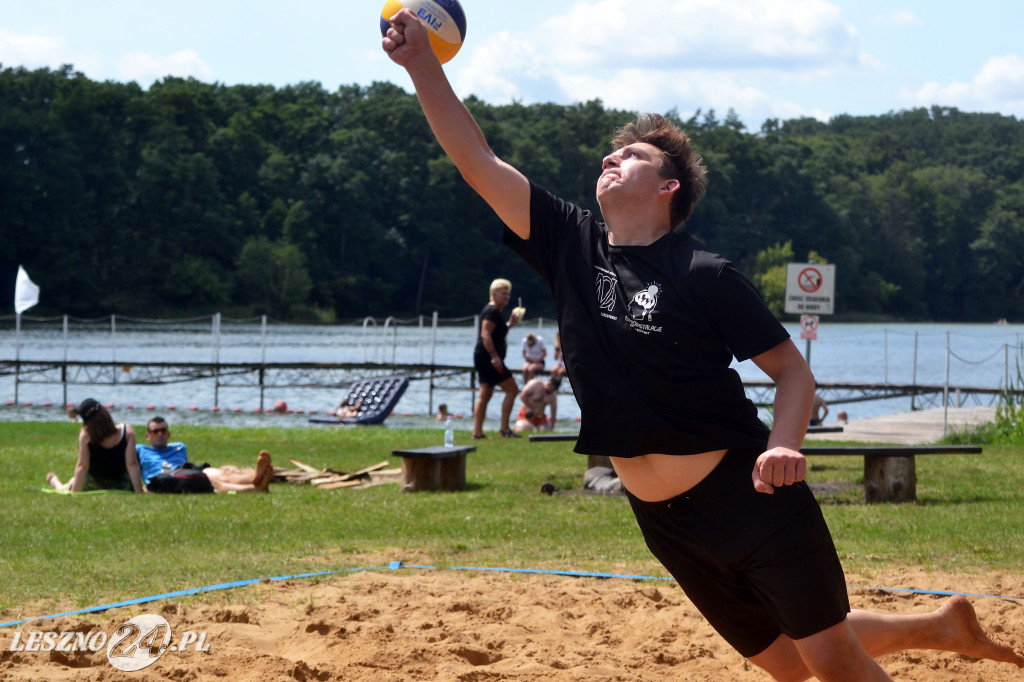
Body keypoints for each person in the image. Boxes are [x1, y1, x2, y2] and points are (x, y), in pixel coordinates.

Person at [382, 17, 1023, 681]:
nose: (610, 159)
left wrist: (784, 445)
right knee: (788, 663)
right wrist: (424, 65)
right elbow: (476, 161)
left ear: (668, 188)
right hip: (663, 520)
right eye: (610, 155)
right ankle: (940, 628)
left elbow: (792, 372)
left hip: (748, 495)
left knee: (830, 658)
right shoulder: (569, 243)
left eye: (631, 156)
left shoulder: (703, 273)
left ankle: (935, 627)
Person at [136, 416, 272, 493]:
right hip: (164, 479)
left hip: (185, 471)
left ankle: (254, 477)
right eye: (155, 432)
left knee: (218, 473)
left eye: (163, 431)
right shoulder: (140, 450)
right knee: (213, 482)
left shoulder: (179, 446)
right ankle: (254, 489)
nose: (160, 434)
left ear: (168, 434)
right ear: (147, 436)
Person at [45, 398, 144, 493]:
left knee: (67, 486)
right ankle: (56, 483)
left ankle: (57, 484)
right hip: (121, 484)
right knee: (70, 484)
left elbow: (83, 465)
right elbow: (132, 464)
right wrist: (139, 491)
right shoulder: (127, 432)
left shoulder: (86, 435)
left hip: (93, 484)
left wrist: (74, 492)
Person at [471, 277, 521, 438]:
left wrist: (509, 325)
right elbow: (485, 334)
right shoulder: (492, 311)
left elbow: (496, 333)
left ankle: (477, 432)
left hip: (483, 357)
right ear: (494, 294)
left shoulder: (494, 311)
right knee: (512, 389)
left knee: (485, 393)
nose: (507, 297)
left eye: (508, 294)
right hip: (489, 359)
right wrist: (494, 356)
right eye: (503, 293)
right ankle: (504, 429)